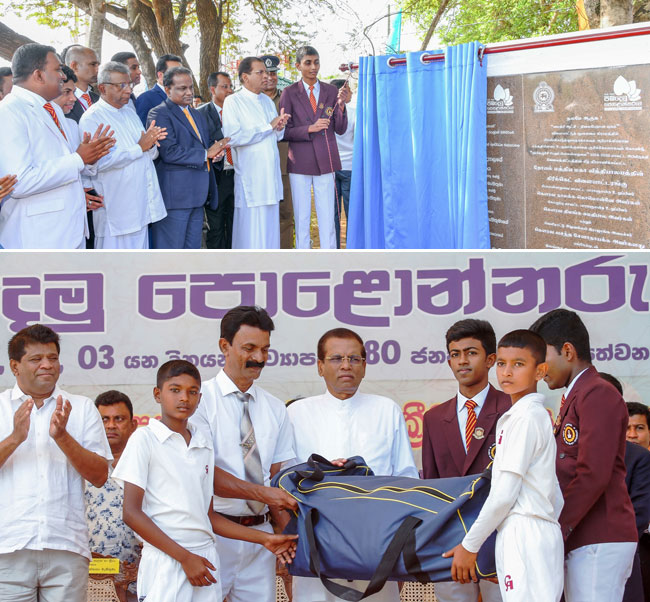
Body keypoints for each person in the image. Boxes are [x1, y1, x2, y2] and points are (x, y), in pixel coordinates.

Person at [114, 360, 298, 602]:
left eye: (192, 392)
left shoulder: (202, 442)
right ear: (157, 394)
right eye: (175, 390)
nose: (184, 398)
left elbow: (209, 516)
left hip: (205, 557)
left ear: (199, 398)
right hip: (167, 559)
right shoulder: (144, 439)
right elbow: (132, 513)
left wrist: (266, 539)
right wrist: (184, 557)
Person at [288, 327, 418, 602]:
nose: (346, 365)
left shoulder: (386, 409)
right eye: (336, 359)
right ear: (320, 366)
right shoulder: (296, 413)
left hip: (377, 544)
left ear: (364, 366)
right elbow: (286, 481)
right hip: (316, 543)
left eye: (354, 359)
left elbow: (406, 480)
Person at [444, 329, 564, 602]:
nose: (507, 372)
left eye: (519, 364)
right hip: (533, 530)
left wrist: (469, 545)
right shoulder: (528, 416)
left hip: (525, 530)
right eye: (502, 364)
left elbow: (504, 494)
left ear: (540, 371)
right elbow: (556, 495)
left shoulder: (525, 419)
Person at [190, 306, 296, 602]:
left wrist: (291, 540)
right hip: (212, 535)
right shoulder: (199, 402)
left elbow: (277, 481)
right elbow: (204, 475)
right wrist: (266, 494)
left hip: (261, 539)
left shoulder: (275, 408)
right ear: (224, 346)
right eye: (249, 348)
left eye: (265, 349)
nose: (259, 358)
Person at [530, 308, 637, 602]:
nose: (539, 368)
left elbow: (593, 473)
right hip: (585, 535)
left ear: (567, 351)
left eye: (543, 358)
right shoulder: (578, 394)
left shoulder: (597, 392)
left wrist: (557, 528)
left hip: (600, 534)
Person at [0, 324, 112, 602]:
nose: (47, 365)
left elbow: (100, 476)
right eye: (36, 359)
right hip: (9, 547)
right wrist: (15, 438)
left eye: (52, 358)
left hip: (66, 546)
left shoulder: (82, 407)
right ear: (15, 366)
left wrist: (62, 437)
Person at [422, 319, 508, 602]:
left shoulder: (513, 408)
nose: (462, 361)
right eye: (455, 354)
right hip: (450, 543)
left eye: (471, 352)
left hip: (500, 537)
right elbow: (432, 487)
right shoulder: (433, 419)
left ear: (491, 359)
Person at [0, 43, 114, 248]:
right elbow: (19, 182)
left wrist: (90, 157)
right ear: (38, 75)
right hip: (38, 236)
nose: (63, 76)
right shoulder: (10, 111)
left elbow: (66, 160)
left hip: (68, 230)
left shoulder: (51, 107)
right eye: (57, 69)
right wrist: (79, 158)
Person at [80, 61, 168, 249]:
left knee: (138, 268)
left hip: (141, 204)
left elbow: (147, 153)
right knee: (115, 270)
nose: (128, 89)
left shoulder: (129, 112)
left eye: (129, 84)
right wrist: (139, 147)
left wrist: (151, 143)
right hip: (117, 210)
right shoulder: (92, 118)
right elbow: (98, 163)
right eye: (121, 85)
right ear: (103, 88)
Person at [148, 66, 227, 249]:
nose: (189, 92)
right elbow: (169, 151)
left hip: (198, 196)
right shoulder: (159, 113)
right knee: (171, 255)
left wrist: (214, 155)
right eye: (182, 88)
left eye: (191, 87)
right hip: (176, 197)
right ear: (167, 90)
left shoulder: (196, 114)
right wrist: (205, 154)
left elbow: (205, 146)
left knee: (192, 254)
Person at [279, 45, 348, 249]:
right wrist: (310, 128)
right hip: (299, 161)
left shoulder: (331, 90)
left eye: (316, 62)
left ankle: (329, 259)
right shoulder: (289, 93)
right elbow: (284, 132)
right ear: (298, 65)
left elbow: (340, 128)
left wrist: (342, 107)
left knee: (328, 216)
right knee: (301, 217)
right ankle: (303, 259)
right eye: (308, 62)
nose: (313, 67)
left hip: (326, 160)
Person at [221, 57, 290, 249]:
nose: (265, 76)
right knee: (251, 230)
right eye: (260, 72)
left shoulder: (267, 102)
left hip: (271, 177)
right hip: (251, 178)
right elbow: (233, 137)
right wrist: (268, 126)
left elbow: (274, 136)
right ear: (245, 77)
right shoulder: (233, 102)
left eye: (266, 72)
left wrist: (279, 127)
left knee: (270, 229)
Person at [85, 390, 141, 584]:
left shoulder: (147, 466)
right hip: (92, 577)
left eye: (119, 419)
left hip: (141, 574)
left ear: (133, 425)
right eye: (104, 419)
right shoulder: (81, 467)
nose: (110, 425)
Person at [53, 64, 106, 216]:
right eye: (66, 92)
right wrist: (80, 158)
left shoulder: (71, 125)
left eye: (74, 92)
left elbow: (83, 169)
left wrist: (94, 155)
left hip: (77, 210)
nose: (73, 99)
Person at [261, 54, 294, 249]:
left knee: (285, 214)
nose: (270, 77)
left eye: (273, 73)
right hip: (258, 168)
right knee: (261, 215)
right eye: (265, 73)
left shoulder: (286, 98)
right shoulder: (249, 101)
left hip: (284, 165)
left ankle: (284, 255)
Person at [198, 71, 235, 249]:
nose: (230, 91)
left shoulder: (239, 112)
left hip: (238, 176)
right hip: (216, 179)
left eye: (231, 87)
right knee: (216, 227)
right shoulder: (201, 114)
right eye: (224, 87)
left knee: (236, 225)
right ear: (213, 89)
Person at [330, 78, 354, 248]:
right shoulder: (355, 113)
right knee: (352, 213)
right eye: (349, 90)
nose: (352, 93)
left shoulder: (327, 113)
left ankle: (335, 249)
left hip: (331, 168)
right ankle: (354, 247)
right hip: (350, 168)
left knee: (333, 215)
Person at [135, 53, 182, 126]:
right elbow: (143, 130)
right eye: (176, 72)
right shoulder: (146, 99)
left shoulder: (183, 96)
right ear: (160, 75)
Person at [65, 45, 100, 123]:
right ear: (74, 66)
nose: (98, 69)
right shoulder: (62, 101)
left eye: (98, 65)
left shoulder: (98, 99)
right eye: (93, 64)